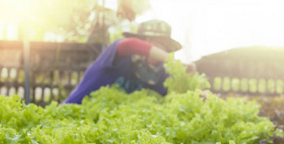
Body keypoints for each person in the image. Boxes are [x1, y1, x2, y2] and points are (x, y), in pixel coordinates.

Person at [63, 19, 195, 104]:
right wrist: (174, 62)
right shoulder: (118, 53)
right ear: (142, 43)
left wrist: (201, 93)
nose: (160, 51)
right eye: (155, 45)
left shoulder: (159, 75)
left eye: (164, 47)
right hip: (72, 113)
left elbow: (180, 92)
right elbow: (130, 44)